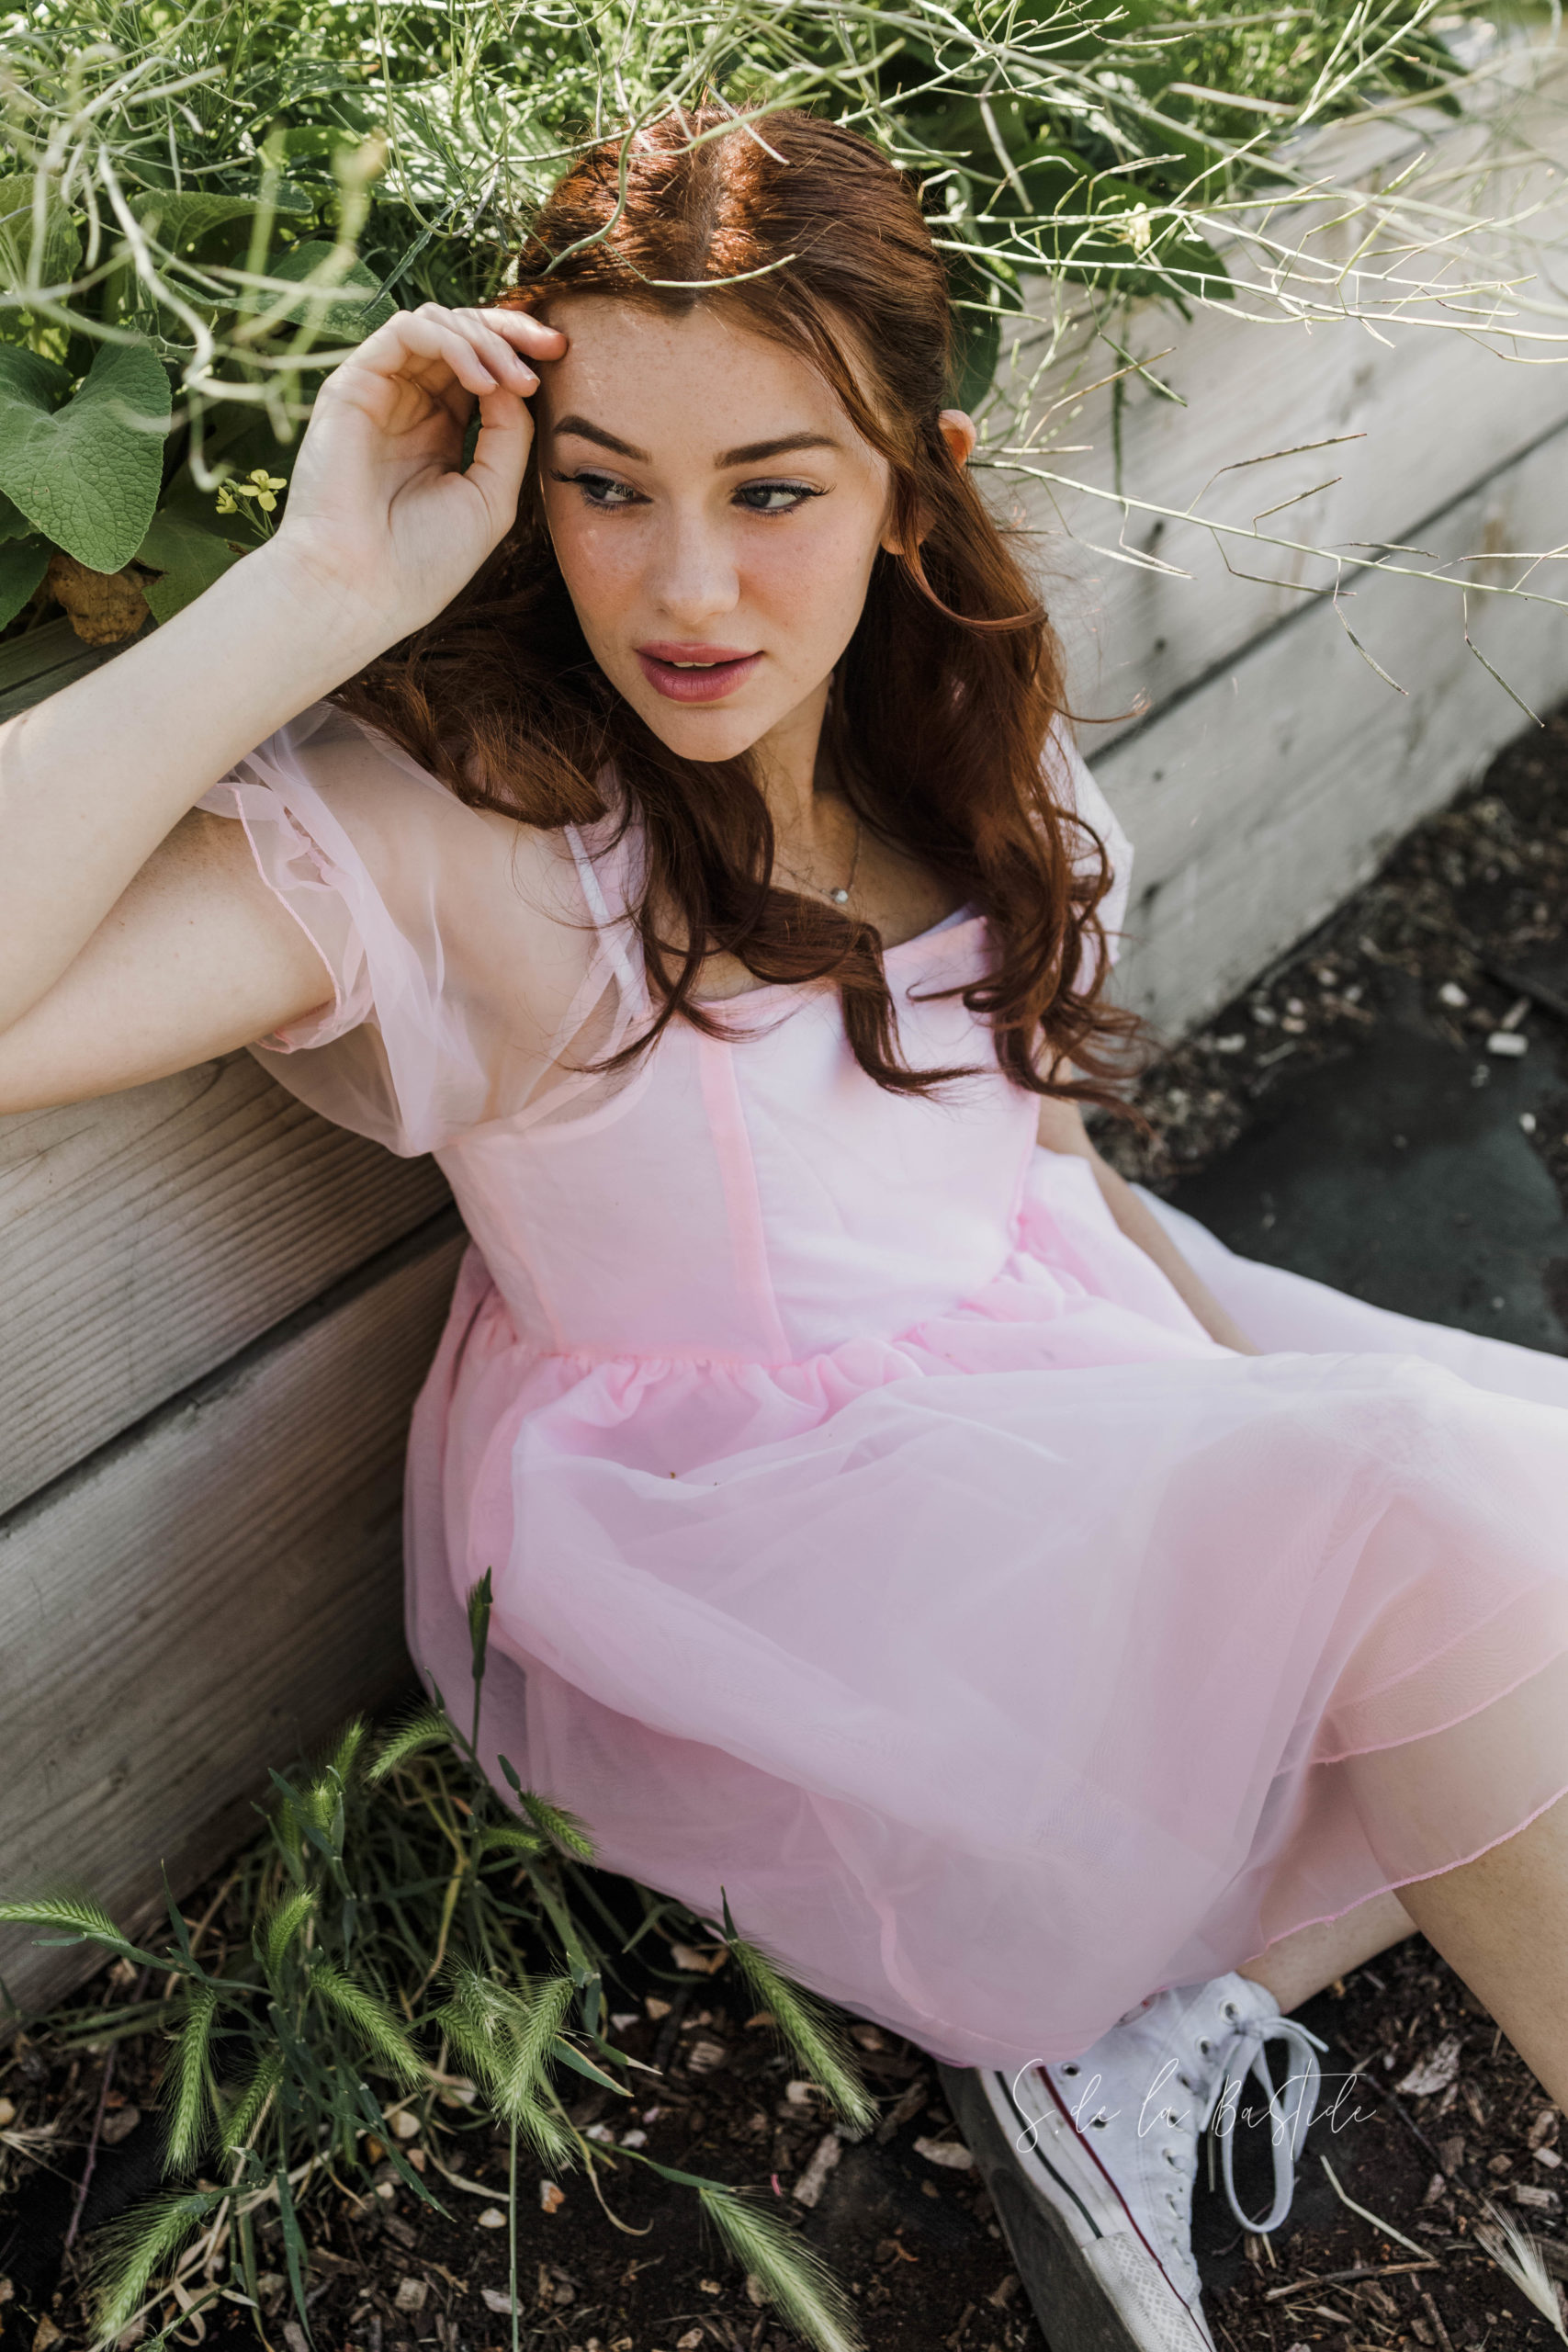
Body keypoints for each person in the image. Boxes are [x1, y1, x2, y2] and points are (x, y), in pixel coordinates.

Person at [2, 107, 1565, 2352]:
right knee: (1442, 1540)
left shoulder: (977, 761)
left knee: (1483, 1522)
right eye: (605, 482)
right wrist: (317, 593)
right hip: (738, 1552)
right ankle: (1115, 1991)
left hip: (1024, 1380)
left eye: (770, 488)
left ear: (909, 478)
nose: (685, 589)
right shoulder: (484, 840)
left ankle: (1115, 2030)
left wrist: (1238, 1441)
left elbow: (1034, 1166)